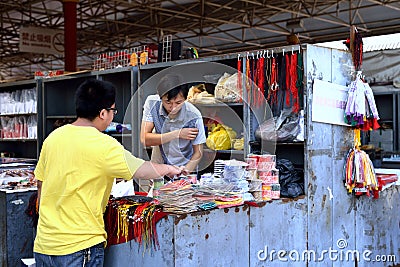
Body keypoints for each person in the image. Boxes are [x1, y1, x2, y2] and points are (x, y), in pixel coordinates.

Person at [33, 79, 183, 267]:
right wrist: (170, 169)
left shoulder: (54, 137)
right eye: (113, 111)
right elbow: (142, 170)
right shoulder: (104, 144)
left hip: (44, 244)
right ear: (103, 113)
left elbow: (41, 183)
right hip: (80, 246)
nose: (113, 116)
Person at [140, 74, 206, 173]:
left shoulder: (194, 115)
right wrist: (177, 134)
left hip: (184, 166)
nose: (173, 108)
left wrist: (185, 172)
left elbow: (198, 152)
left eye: (178, 103)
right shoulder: (152, 102)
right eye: (168, 103)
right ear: (160, 97)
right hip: (160, 163)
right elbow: (144, 139)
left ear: (186, 98)